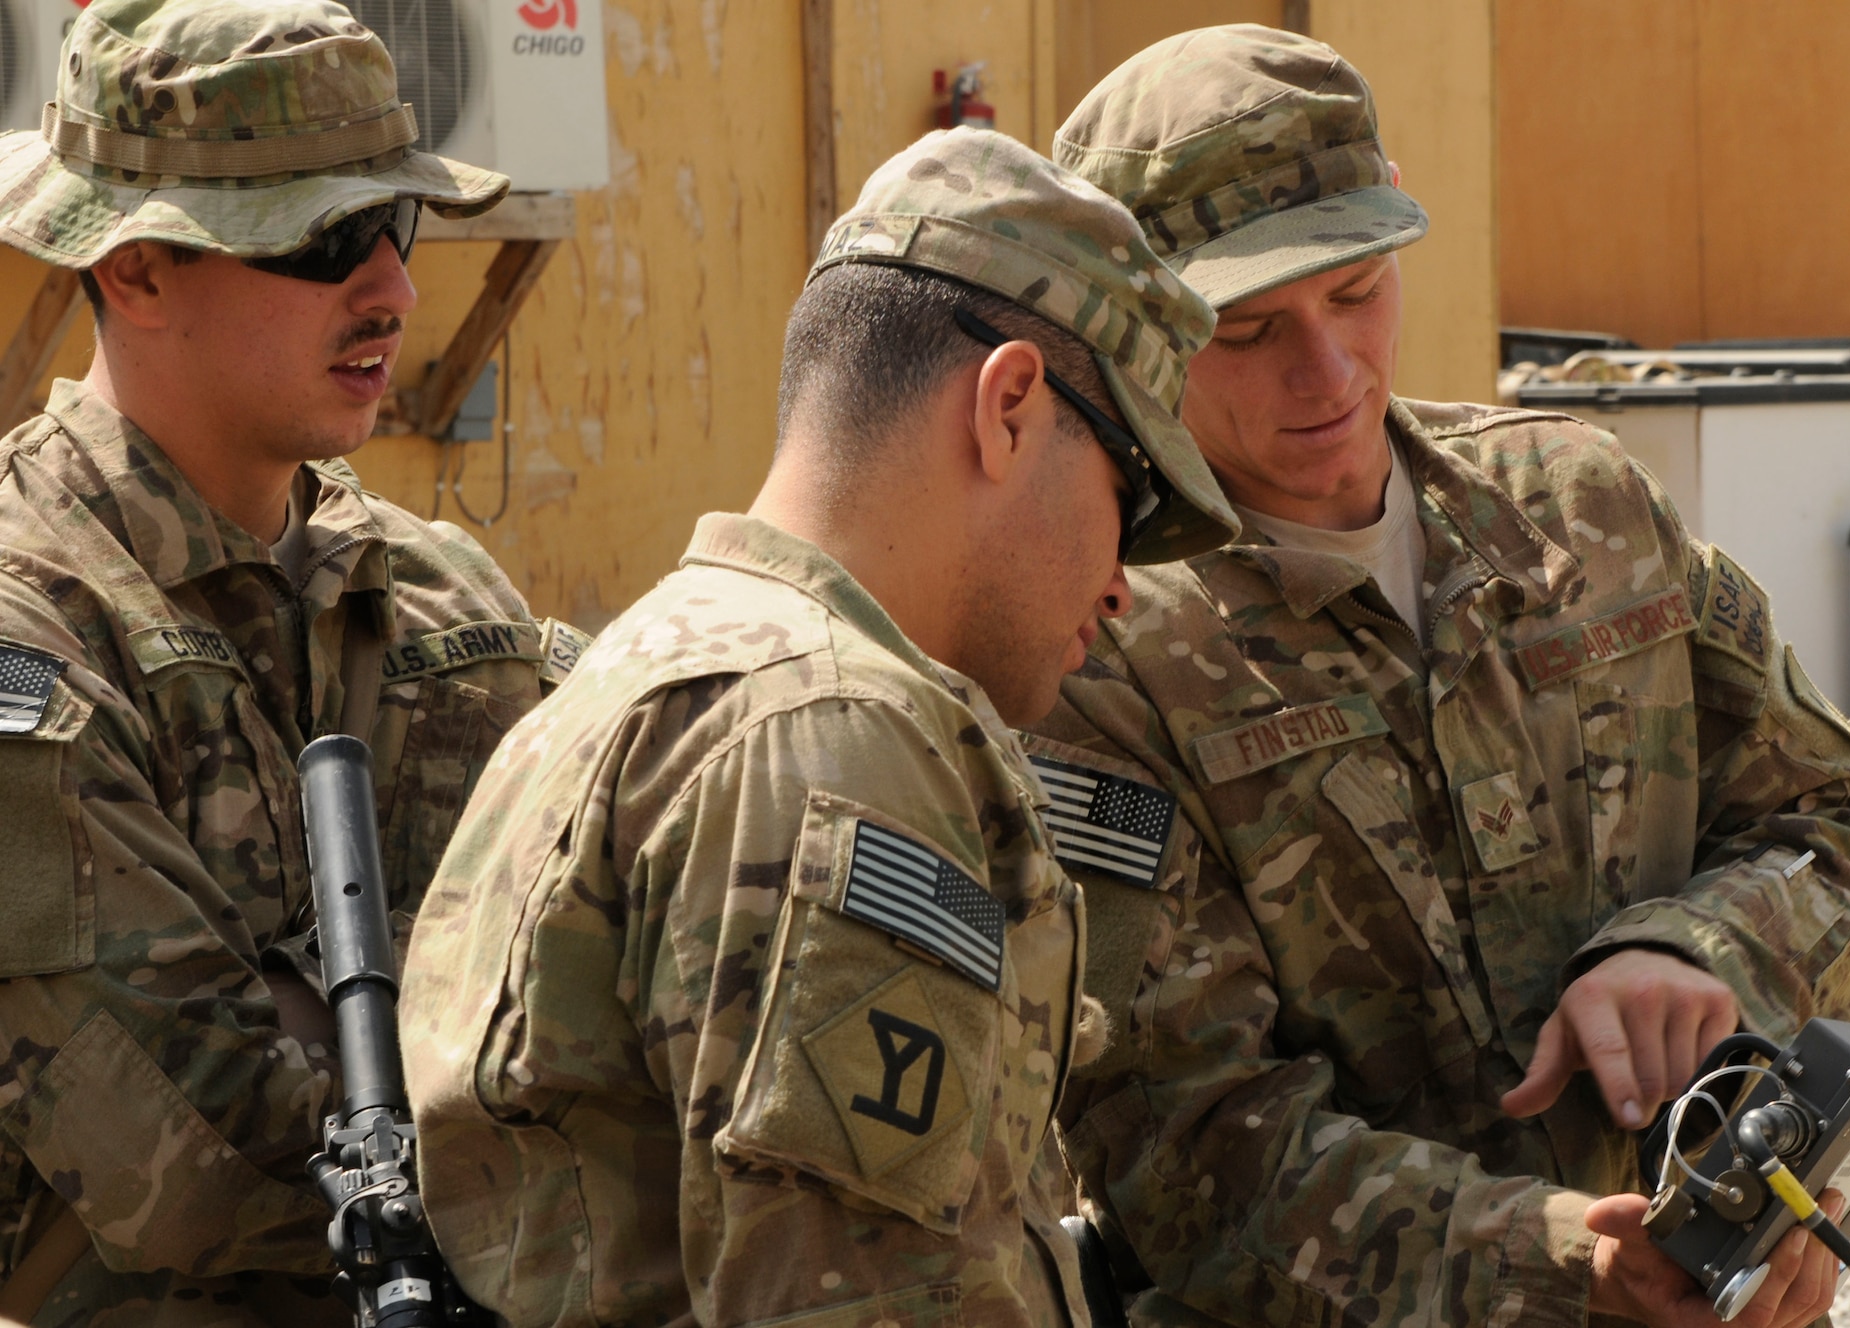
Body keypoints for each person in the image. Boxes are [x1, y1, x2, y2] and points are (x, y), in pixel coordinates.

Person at [1024, 25, 1850, 1328]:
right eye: (1249, 326)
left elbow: (1842, 832)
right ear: (1135, 330)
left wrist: (1697, 947)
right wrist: (1566, 1266)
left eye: (1358, 292)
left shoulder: (1586, 508)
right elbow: (1194, 1154)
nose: (1326, 374)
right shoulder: (1094, 652)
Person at [398, 126, 1237, 1328]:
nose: (1121, 583)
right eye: (1129, 493)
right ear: (1006, 408)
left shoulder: (652, 657)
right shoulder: (837, 733)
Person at [0, 2, 589, 1323]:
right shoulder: (26, 634)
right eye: (326, 239)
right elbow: (191, 1158)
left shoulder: (447, 594)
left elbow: (648, 993)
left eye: (400, 225)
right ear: (139, 266)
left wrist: (334, 1028)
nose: (392, 288)